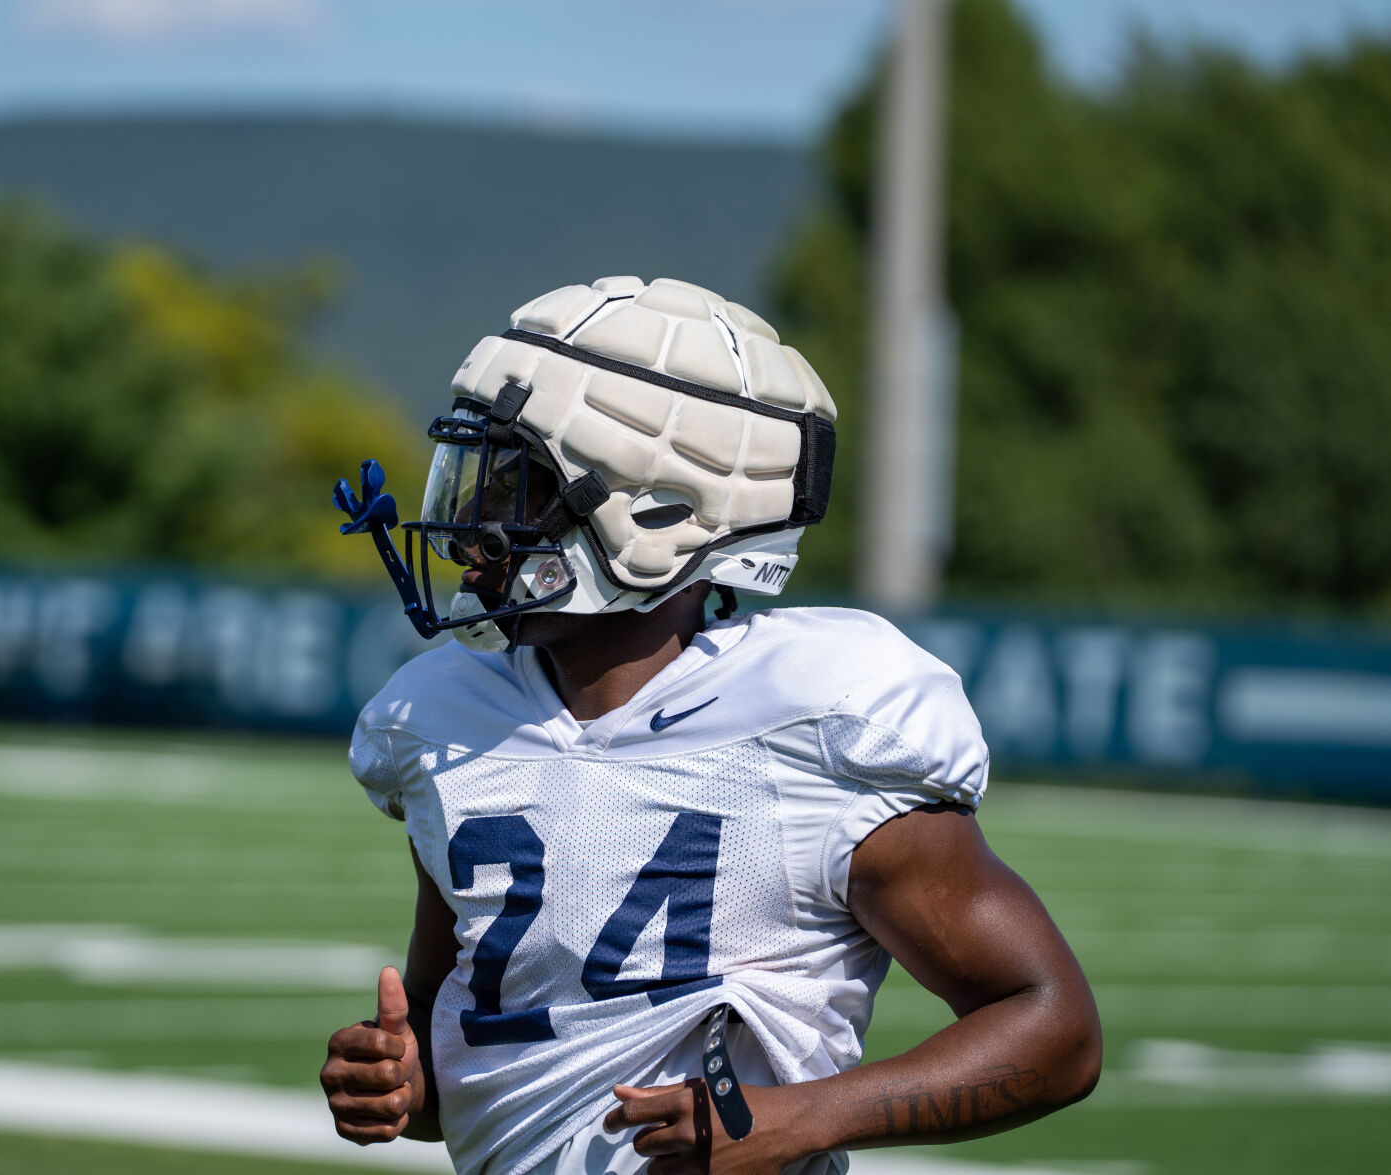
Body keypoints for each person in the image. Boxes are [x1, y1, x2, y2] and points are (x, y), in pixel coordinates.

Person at [323, 277, 1100, 1175]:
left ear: (654, 513)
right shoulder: (445, 719)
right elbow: (463, 1034)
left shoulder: (816, 717)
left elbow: (1054, 1028)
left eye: (515, 488)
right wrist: (402, 1080)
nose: (469, 527)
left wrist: (802, 1117)